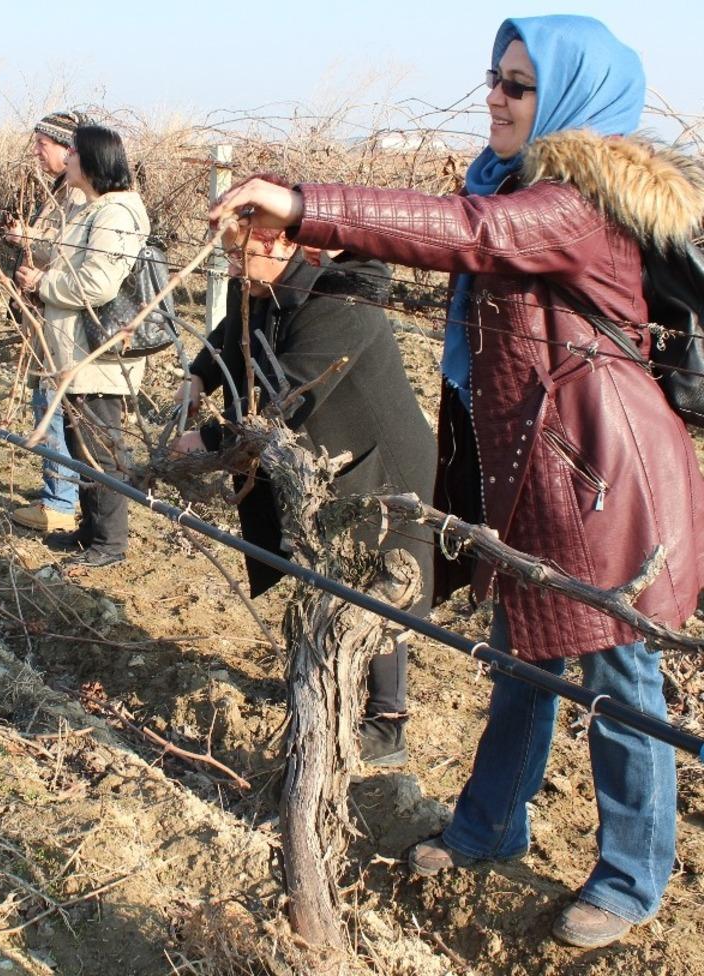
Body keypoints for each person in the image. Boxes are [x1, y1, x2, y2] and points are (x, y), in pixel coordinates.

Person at [210, 15, 704, 949]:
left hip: (604, 479)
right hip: (539, 471)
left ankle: (632, 879)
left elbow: (463, 235)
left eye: (517, 84)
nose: (494, 96)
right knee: (522, 661)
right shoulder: (516, 186)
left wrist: (304, 205)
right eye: (493, 77)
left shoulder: (570, 205)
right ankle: (489, 823)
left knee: (622, 686)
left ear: (566, 99)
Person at [171, 197, 436, 765]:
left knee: (378, 586)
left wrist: (211, 443)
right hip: (324, 459)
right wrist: (197, 374)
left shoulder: (339, 300)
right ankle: (324, 684)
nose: (234, 269)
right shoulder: (270, 286)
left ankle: (386, 723)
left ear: (281, 241)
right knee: (325, 570)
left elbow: (290, 395)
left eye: (239, 254)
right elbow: (231, 329)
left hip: (379, 463)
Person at [15, 125, 149, 568]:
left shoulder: (117, 214)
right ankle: (90, 532)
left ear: (91, 161)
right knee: (81, 445)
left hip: (97, 356)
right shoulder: (96, 209)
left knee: (102, 452)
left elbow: (98, 281)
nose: (66, 159)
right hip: (75, 355)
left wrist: (44, 283)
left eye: (73, 152)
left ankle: (109, 545)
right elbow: (75, 260)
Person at [7, 111, 87, 534]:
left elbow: (69, 255)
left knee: (53, 404)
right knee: (53, 403)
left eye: (42, 144)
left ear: (66, 147)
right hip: (47, 314)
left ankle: (59, 502)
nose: (36, 152)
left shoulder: (78, 197)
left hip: (61, 324)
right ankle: (63, 488)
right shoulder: (63, 190)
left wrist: (28, 242)